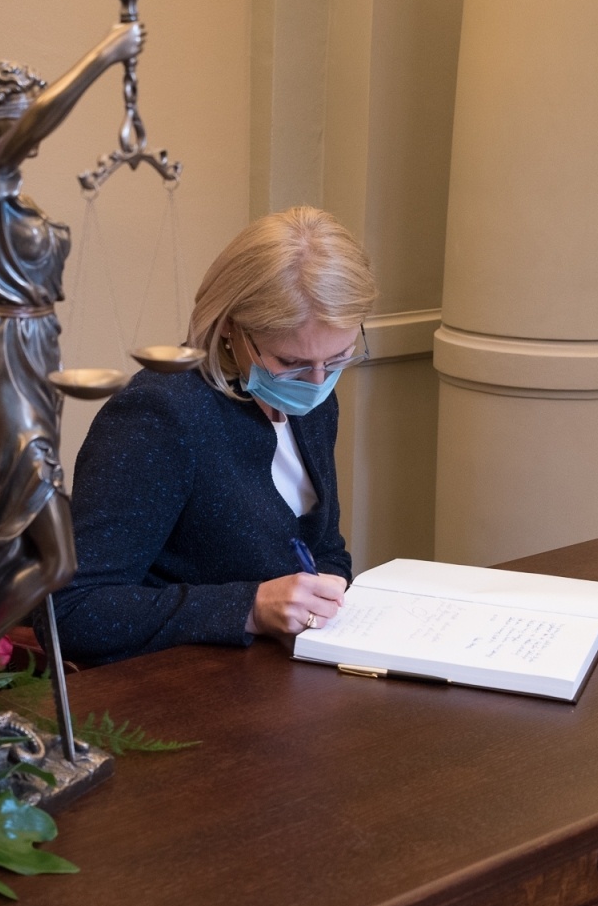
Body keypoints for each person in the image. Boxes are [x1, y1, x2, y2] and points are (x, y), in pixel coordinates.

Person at [54, 206, 378, 665]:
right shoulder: (160, 416)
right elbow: (72, 611)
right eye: (291, 363)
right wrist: (249, 608)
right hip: (177, 688)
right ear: (230, 328)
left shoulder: (312, 399)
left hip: (281, 670)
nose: (317, 383)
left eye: (340, 357)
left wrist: (324, 590)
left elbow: (324, 547)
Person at [0, 22, 145, 641]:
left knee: (51, 560)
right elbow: (37, 124)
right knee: (52, 554)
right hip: (5, 363)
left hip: (36, 359)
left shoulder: (18, 200)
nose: (31, 128)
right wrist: (104, 54)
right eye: (21, 116)